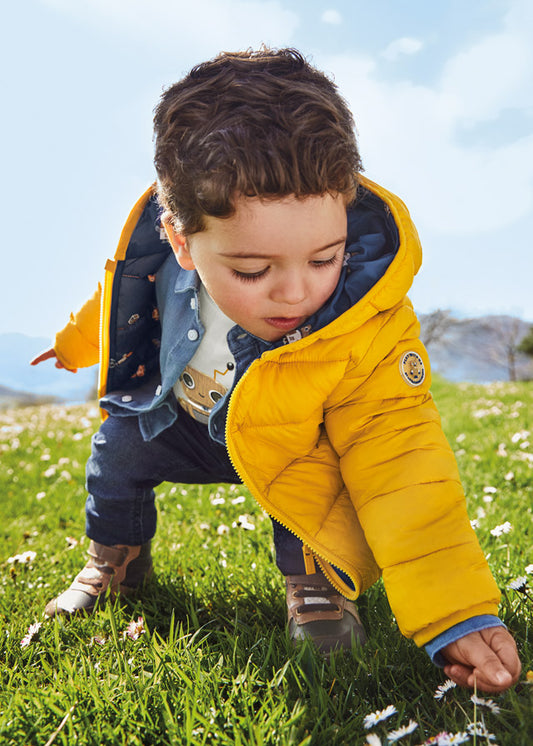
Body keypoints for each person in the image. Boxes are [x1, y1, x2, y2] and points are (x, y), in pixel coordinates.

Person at [32, 47, 520, 693]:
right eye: (253, 271)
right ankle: (112, 562)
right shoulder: (160, 254)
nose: (295, 294)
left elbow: (400, 457)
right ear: (182, 240)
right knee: (117, 453)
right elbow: (118, 296)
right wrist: (73, 344)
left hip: (293, 440)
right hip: (185, 419)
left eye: (325, 258)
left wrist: (455, 610)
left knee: (315, 489)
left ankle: (314, 586)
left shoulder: (365, 321)